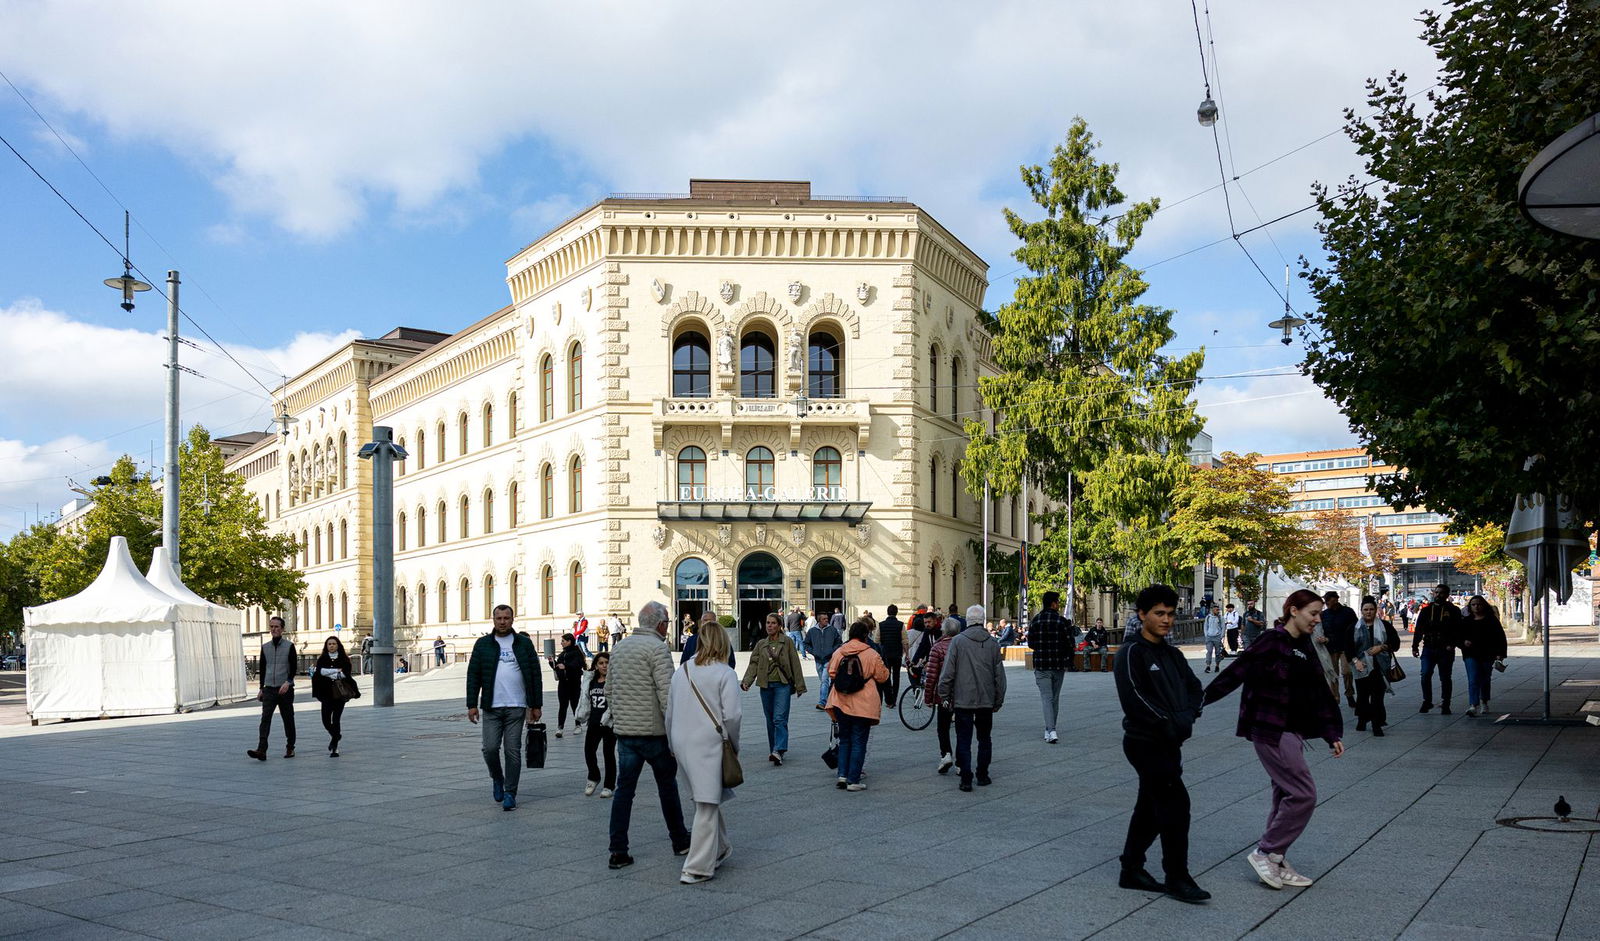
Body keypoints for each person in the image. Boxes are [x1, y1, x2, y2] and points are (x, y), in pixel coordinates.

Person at [1204, 588, 1345, 891]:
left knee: (1285, 794)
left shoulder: (1305, 646)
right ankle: (1266, 852)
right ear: (1293, 610)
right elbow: (1236, 672)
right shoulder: (1270, 641)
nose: (1317, 619)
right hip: (1269, 728)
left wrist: (1331, 732)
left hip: (1293, 730)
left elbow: (1319, 691)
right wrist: (1200, 700)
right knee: (1303, 794)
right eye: (1313, 613)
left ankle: (1276, 858)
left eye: (1319, 614)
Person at [1114, 584, 1208, 904]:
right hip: (1144, 742)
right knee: (1175, 805)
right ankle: (1177, 877)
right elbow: (1134, 699)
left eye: (1170, 613)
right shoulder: (1131, 652)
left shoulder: (1172, 654)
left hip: (1170, 743)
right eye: (1159, 613)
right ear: (1142, 615)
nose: (1166, 620)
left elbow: (1195, 689)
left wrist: (1187, 714)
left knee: (1150, 807)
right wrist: (1170, 721)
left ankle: (1131, 869)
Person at [606, 601, 692, 869]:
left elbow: (609, 690)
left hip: (626, 734)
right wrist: (676, 732)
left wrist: (620, 719)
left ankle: (618, 850)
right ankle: (679, 840)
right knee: (667, 787)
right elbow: (667, 696)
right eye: (667, 622)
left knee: (624, 791)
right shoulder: (658, 649)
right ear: (661, 624)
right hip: (655, 735)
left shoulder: (619, 648)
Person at [667, 616, 741, 883]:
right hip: (708, 742)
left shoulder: (683, 670)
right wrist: (733, 743)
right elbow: (732, 716)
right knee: (707, 805)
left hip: (681, 741)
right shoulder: (725, 673)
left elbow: (670, 711)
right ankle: (696, 867)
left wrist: (671, 743)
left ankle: (720, 848)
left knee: (704, 797)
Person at [466, 605, 542, 811]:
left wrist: (536, 705)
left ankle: (510, 792)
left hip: (516, 707)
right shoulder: (483, 644)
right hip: (492, 706)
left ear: (512, 619)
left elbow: (535, 674)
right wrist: (472, 704)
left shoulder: (524, 643)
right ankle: (497, 778)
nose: (502, 621)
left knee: (512, 751)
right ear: (493, 619)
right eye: (498, 618)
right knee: (489, 749)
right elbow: (473, 675)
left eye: (506, 618)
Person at [937, 604, 1005, 793]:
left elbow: (948, 672)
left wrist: (944, 693)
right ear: (982, 621)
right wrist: (998, 699)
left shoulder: (958, 642)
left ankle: (966, 778)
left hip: (962, 699)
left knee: (963, 738)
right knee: (984, 738)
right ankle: (982, 774)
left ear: (967, 620)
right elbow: (999, 675)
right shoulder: (992, 644)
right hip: (985, 699)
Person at [826, 621, 890, 790]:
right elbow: (883, 677)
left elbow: (831, 672)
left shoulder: (839, 651)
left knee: (845, 739)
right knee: (859, 741)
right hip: (864, 703)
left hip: (840, 700)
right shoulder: (871, 653)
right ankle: (853, 779)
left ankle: (842, 774)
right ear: (865, 635)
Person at [740, 611, 806, 765]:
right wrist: (746, 681)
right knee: (770, 720)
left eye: (773, 623)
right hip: (766, 685)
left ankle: (779, 749)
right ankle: (774, 750)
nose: (770, 626)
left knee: (779, 718)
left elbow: (795, 663)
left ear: (779, 625)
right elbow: (754, 664)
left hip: (782, 685)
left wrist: (800, 686)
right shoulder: (761, 644)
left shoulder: (787, 642)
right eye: (768, 623)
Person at [248, 616, 298, 761]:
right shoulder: (265, 647)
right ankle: (261, 750)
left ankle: (290, 747)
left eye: (276, 627)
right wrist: (261, 688)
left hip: (285, 689)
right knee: (265, 719)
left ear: (282, 629)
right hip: (269, 688)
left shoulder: (289, 646)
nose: (274, 629)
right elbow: (262, 669)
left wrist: (288, 682)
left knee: (288, 719)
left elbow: (293, 667)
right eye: (271, 627)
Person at [1028, 591, 1075, 744]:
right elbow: (1070, 643)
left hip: (1042, 665)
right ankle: (1051, 729)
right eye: (1058, 602)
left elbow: (1030, 643)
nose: (1059, 605)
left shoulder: (1035, 620)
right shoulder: (1062, 622)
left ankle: (1050, 729)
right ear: (1053, 603)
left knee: (1046, 698)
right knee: (1054, 698)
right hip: (1058, 665)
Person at [1350, 596, 1400, 735]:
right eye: (1366, 609)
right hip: (1361, 666)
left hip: (1380, 667)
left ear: (1376, 610)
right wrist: (1356, 661)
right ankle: (1362, 719)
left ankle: (1376, 725)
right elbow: (1348, 647)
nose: (1369, 612)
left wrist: (1382, 647)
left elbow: (1395, 644)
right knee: (1362, 696)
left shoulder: (1385, 626)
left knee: (1377, 697)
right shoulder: (1354, 627)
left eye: (1371, 609)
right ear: (1361, 611)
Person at [1412, 583, 1463, 714]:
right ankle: (1427, 701)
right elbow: (1419, 629)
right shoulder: (1426, 610)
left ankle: (1446, 702)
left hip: (1445, 649)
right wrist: (1415, 645)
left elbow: (1458, 630)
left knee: (1445, 677)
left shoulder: (1453, 610)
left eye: (1441, 593)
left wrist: (1452, 644)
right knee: (1425, 674)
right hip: (1429, 647)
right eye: (1436, 592)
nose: (1438, 595)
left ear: (1447, 595)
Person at [923, 618, 961, 775]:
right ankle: (960, 760)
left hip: (943, 695)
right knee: (961, 728)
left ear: (943, 631)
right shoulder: (962, 646)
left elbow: (931, 675)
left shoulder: (937, 647)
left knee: (943, 727)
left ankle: (946, 754)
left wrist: (928, 697)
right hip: (961, 694)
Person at [575, 651, 616, 797]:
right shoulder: (592, 681)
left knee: (608, 753)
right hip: (594, 721)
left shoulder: (614, 681)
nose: (604, 666)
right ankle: (594, 776)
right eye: (601, 663)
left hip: (609, 723)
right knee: (589, 751)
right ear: (596, 666)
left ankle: (609, 785)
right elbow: (585, 699)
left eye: (607, 662)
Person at [1460, 595, 1507, 717]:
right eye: (1473, 604)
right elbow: (1458, 637)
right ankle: (1473, 705)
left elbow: (1500, 637)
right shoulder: (1466, 621)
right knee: (1473, 678)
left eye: (1479, 604)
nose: (1476, 607)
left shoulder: (1491, 620)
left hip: (1488, 653)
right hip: (1471, 654)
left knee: (1485, 678)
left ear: (1484, 605)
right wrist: (1463, 642)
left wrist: (1500, 654)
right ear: (1470, 607)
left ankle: (1484, 701)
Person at [310, 635, 356, 757]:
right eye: (329, 644)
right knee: (325, 719)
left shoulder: (344, 659)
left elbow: (345, 674)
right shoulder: (322, 658)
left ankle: (334, 747)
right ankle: (336, 735)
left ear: (338, 645)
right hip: (325, 693)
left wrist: (329, 672)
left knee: (336, 719)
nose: (331, 646)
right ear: (326, 646)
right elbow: (320, 672)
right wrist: (335, 671)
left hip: (340, 694)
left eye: (333, 644)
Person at [1318, 591, 1358, 708]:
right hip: (1330, 647)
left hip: (1345, 647)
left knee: (1347, 672)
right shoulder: (1324, 614)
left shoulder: (1348, 612)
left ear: (1335, 599)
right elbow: (1320, 629)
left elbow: (1355, 627)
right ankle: (1335, 698)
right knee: (1333, 674)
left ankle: (1349, 694)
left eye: (1328, 600)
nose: (1326, 603)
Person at [550, 633, 588, 738]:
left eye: (563, 641)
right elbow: (557, 667)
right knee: (562, 706)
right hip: (563, 683)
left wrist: (565, 666)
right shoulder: (562, 654)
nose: (561, 643)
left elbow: (577, 664)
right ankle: (560, 727)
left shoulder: (576, 652)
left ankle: (578, 725)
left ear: (569, 641)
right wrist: (552, 662)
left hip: (574, 682)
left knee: (575, 704)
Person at [806, 609, 843, 710]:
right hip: (818, 659)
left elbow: (839, 642)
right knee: (823, 680)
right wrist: (813, 652)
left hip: (828, 659)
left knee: (824, 680)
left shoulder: (832, 630)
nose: (827, 620)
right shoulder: (812, 631)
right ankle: (830, 697)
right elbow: (806, 643)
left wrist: (832, 651)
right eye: (824, 619)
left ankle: (822, 701)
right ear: (819, 620)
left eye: (827, 618)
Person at [877, 604, 904, 705]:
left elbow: (877, 640)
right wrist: (907, 654)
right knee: (896, 677)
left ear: (887, 612)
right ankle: (894, 699)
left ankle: (888, 699)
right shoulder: (901, 624)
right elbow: (905, 640)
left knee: (886, 676)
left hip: (885, 654)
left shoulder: (881, 624)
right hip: (897, 654)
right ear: (896, 612)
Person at [1202, 604, 1225, 673]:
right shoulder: (1208, 617)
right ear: (1212, 610)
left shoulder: (1221, 618)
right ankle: (1208, 666)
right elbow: (1205, 626)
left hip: (1217, 637)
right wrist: (1206, 634)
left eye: (1218, 609)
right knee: (1209, 651)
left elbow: (1223, 627)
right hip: (1209, 637)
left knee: (1218, 652)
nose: (1217, 611)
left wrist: (1221, 636)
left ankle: (1217, 665)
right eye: (1216, 609)